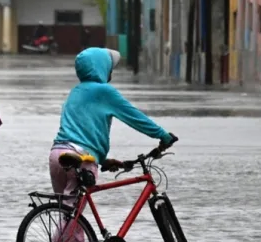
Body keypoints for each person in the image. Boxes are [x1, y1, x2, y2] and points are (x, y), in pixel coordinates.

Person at [49, 47, 176, 197]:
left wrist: (103, 160)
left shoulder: (75, 92)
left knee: (64, 211)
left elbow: (80, 131)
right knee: (71, 216)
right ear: (101, 67)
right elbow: (134, 117)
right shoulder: (105, 92)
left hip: (58, 155)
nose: (111, 72)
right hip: (80, 157)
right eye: (109, 67)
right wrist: (163, 135)